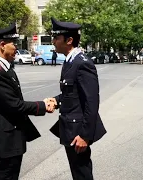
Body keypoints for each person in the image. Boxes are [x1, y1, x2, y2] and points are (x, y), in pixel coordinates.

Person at [0, 23, 56, 180]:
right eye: (13, 43)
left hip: (10, 136)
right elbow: (14, 105)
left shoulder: (4, 68)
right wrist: (43, 105)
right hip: (4, 138)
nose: (16, 47)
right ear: (2, 45)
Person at [46, 17, 107, 180]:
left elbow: (91, 102)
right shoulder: (69, 62)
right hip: (70, 129)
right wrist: (57, 100)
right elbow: (72, 94)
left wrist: (85, 135)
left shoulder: (82, 63)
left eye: (56, 38)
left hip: (78, 133)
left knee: (82, 175)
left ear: (69, 40)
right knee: (78, 174)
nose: (53, 41)